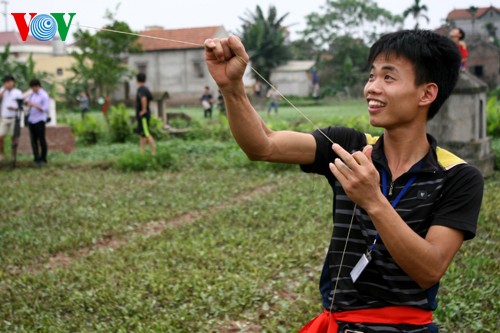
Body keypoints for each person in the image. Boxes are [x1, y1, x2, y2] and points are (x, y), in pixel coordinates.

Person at [204, 30, 484, 332]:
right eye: (371, 76)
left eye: (388, 78)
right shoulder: (347, 145)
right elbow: (264, 145)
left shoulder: (458, 176)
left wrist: (373, 200)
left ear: (426, 94)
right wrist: (231, 87)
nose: (372, 88)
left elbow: (429, 269)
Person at [25, 79, 49, 166]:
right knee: (33, 140)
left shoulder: (44, 95)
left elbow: (45, 108)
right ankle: (36, 158)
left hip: (39, 120)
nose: (33, 89)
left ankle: (43, 158)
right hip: (31, 119)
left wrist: (34, 105)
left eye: (34, 87)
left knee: (41, 139)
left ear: (38, 86)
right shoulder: (31, 94)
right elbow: (27, 102)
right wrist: (27, 103)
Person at [0, 75, 24, 163]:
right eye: (5, 82)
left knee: (13, 137)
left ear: (13, 82)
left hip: (14, 117)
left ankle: (13, 156)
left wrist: (14, 108)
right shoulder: (2, 91)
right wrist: (3, 90)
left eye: (9, 82)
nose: (7, 84)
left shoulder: (18, 92)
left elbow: (21, 106)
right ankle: (1, 155)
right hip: (4, 117)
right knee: (1, 137)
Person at [135, 73, 156, 156]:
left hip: (143, 116)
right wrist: (147, 108)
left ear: (137, 80)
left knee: (147, 134)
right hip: (145, 115)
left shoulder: (141, 90)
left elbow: (144, 99)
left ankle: (153, 153)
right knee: (142, 135)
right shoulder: (146, 89)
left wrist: (143, 110)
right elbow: (150, 100)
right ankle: (142, 153)